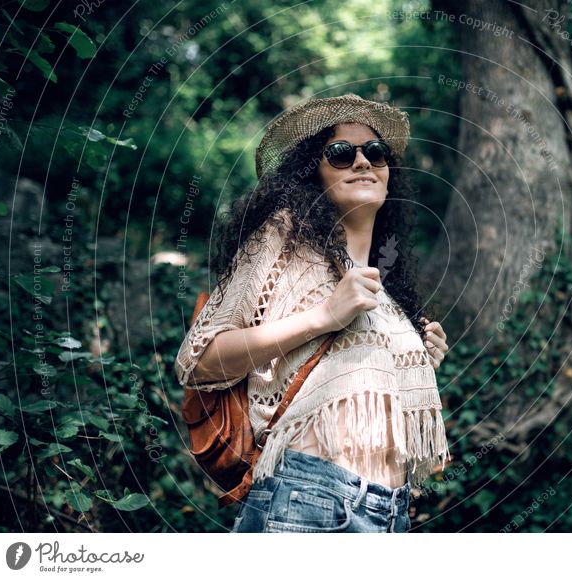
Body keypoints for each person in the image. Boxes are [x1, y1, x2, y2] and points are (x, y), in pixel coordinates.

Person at [174, 93, 451, 533]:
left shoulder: (387, 286)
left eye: (375, 152)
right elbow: (198, 360)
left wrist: (417, 356)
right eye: (342, 153)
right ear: (313, 173)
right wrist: (324, 315)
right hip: (308, 502)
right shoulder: (286, 238)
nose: (363, 161)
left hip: (390, 512)